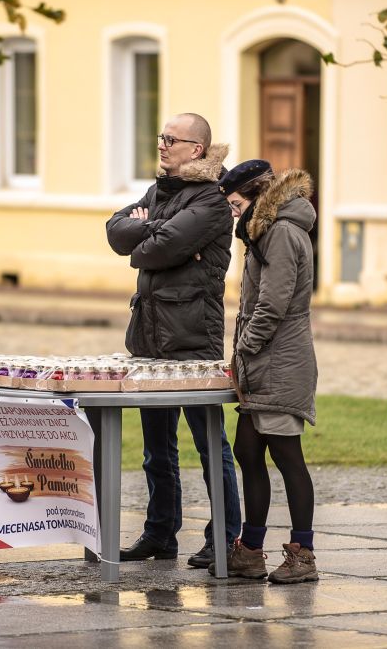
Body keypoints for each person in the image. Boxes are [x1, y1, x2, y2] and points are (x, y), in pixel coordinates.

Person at [105, 113, 241, 568]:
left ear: (196, 149)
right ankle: (160, 534)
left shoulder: (213, 198)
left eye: (171, 139)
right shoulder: (159, 190)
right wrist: (151, 231)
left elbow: (159, 248)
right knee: (156, 450)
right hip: (149, 337)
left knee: (210, 445)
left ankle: (224, 538)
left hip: (193, 338)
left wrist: (148, 235)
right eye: (161, 137)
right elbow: (115, 232)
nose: (161, 145)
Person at [209, 159, 319, 584]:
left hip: (280, 363)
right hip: (263, 363)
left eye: (236, 204)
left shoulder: (281, 232)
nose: (233, 212)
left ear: (257, 196)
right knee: (248, 451)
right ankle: (251, 551)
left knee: (288, 457)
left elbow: (272, 305)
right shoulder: (265, 230)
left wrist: (243, 349)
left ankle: (303, 554)